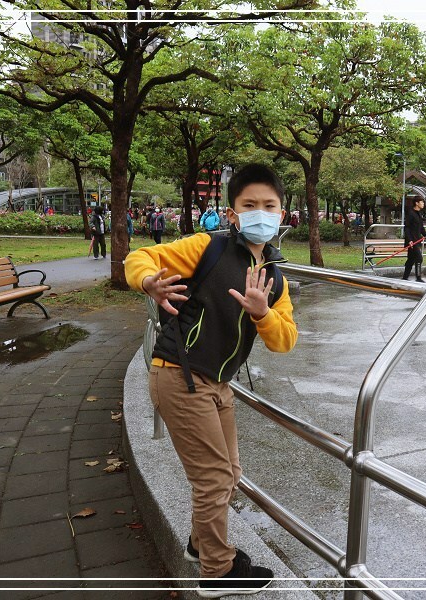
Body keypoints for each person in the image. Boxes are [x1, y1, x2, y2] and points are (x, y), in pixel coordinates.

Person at [124, 163, 298, 597]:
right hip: (179, 375)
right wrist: (149, 283)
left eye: (269, 205)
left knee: (229, 472)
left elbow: (285, 341)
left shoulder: (275, 276)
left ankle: (199, 544)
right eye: (250, 205)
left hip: (218, 384)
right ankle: (217, 571)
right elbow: (140, 257)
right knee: (214, 478)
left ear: (282, 213)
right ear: (233, 213)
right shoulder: (208, 248)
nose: (261, 213)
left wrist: (262, 313)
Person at [402, 198, 426, 282]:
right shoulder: (411, 213)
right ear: (417, 203)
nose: (423, 204)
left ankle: (405, 277)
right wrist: (409, 240)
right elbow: (407, 228)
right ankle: (418, 277)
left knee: (411, 259)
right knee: (419, 258)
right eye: (422, 202)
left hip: (417, 240)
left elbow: (421, 228)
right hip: (412, 241)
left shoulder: (418, 214)